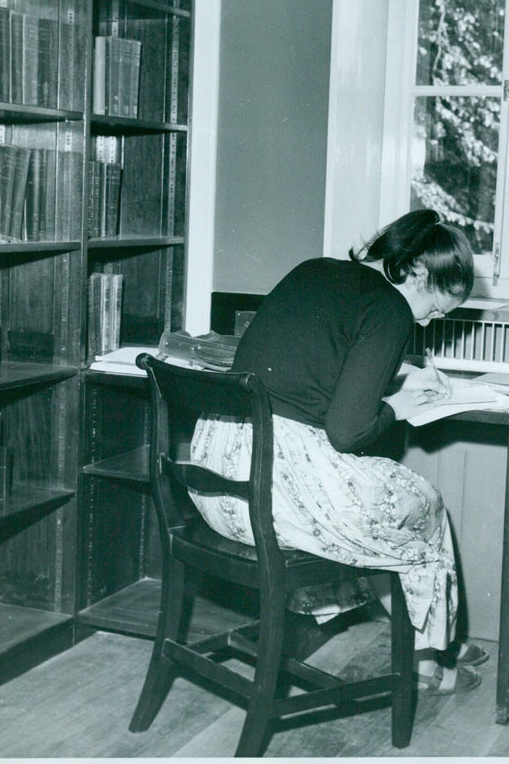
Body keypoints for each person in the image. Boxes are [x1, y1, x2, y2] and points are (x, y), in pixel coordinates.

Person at [190, 209, 485, 695]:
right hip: (274, 495)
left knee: (384, 514)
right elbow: (347, 433)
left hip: (218, 483)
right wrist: (401, 405)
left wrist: (399, 379)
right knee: (422, 505)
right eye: (434, 308)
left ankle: (434, 641)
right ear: (414, 271)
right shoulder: (390, 308)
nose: (430, 321)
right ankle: (430, 659)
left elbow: (313, 374)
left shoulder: (315, 270)